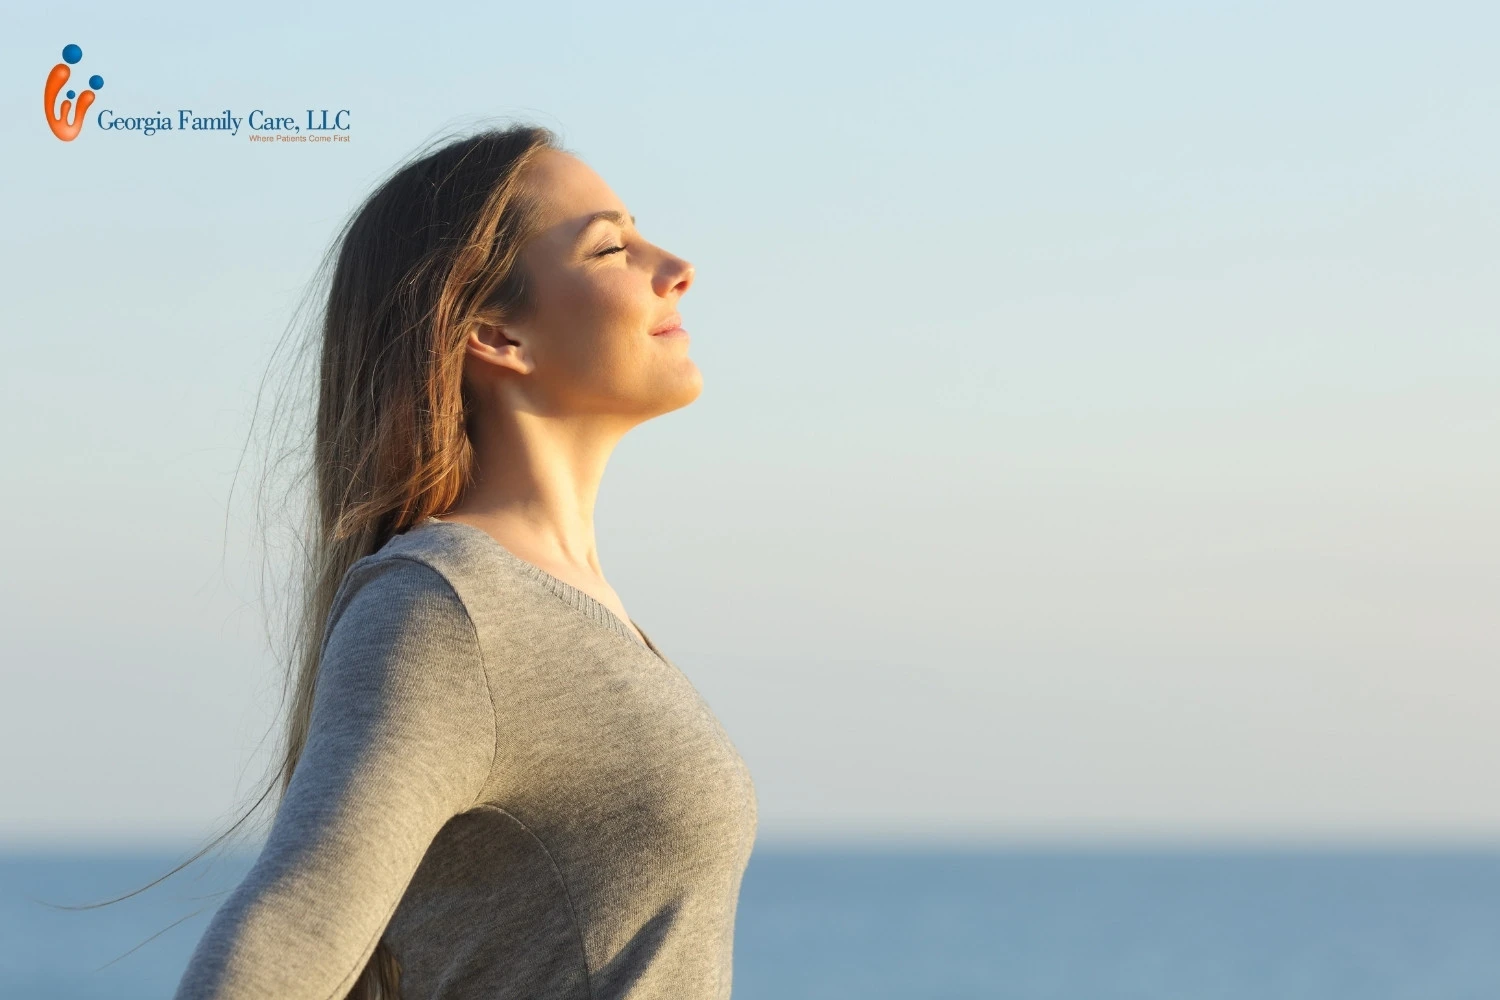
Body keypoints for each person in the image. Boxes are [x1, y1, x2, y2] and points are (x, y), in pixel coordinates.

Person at [170, 123, 759, 999]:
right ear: (494, 336)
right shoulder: (445, 608)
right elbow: (275, 953)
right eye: (611, 247)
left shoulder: (556, 603)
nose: (675, 265)